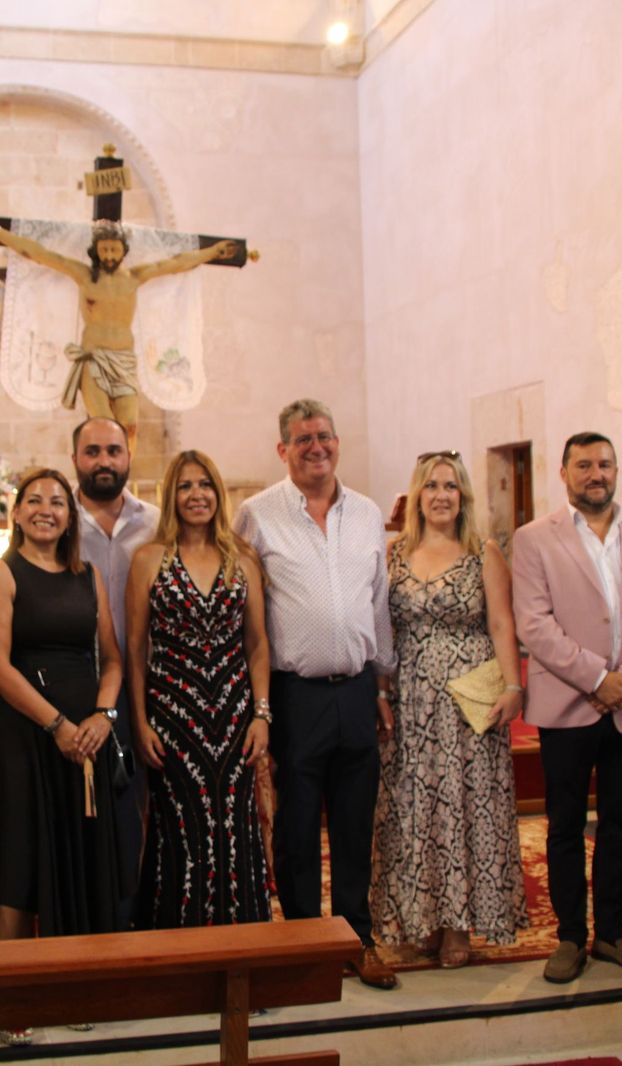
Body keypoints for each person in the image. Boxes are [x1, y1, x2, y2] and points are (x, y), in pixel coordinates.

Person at [234, 399, 399, 990]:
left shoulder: (367, 512)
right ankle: (302, 945)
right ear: (283, 449)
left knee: (356, 824)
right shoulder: (256, 515)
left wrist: (382, 682)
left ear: (338, 441)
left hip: (356, 689)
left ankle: (358, 939)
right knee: (298, 826)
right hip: (294, 693)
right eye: (302, 439)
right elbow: (244, 609)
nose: (315, 447)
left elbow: (377, 603)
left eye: (324, 436)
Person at [0, 468, 127, 1045]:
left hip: (87, 738)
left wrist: (103, 718)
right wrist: (55, 723)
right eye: (33, 500)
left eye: (57, 502)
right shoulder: (0, 575)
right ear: (16, 512)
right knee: (22, 854)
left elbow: (112, 659)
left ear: (69, 515)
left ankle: (78, 985)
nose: (45, 510)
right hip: (24, 735)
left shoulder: (88, 578)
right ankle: (12, 994)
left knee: (80, 854)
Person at [511, 431, 622, 983]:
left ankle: (610, 934)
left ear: (616, 469)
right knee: (562, 827)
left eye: (605, 464)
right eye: (584, 465)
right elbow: (535, 625)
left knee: (621, 824)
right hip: (569, 704)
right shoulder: (535, 539)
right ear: (563, 473)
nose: (596, 474)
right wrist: (598, 678)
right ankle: (569, 937)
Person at [370, 451, 527, 966]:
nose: (441, 495)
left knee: (465, 809)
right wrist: (381, 691)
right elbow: (381, 629)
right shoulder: (394, 554)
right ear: (416, 495)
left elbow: (502, 623)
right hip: (411, 700)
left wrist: (513, 687)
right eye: (432, 485)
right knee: (414, 810)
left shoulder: (483, 552)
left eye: (451, 486)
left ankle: (459, 927)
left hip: (468, 701)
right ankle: (421, 919)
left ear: (464, 497)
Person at [126, 450, 271, 928]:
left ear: (218, 493)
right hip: (172, 717)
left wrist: (261, 715)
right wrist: (140, 722)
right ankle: (176, 954)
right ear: (171, 496)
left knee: (234, 830)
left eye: (205, 485)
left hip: (233, 717)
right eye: (186, 486)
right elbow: (134, 650)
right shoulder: (149, 559)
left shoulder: (241, 558)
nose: (197, 495)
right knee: (181, 832)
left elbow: (257, 645)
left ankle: (240, 954)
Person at [0, 216, 236, 443]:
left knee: (129, 427)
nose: (109, 255)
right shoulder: (84, 276)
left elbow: (177, 262)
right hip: (94, 360)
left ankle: (123, 482)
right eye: (104, 249)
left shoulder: (134, 277)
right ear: (96, 251)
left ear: (123, 251)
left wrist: (211, 252)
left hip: (124, 363)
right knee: (102, 428)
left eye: (114, 249)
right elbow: (40, 254)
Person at [72, 415, 160, 926]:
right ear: (75, 460)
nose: (104, 461)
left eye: (113, 450)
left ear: (128, 457)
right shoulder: (57, 521)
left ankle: (141, 917)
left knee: (143, 810)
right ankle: (88, 921)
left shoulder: (154, 523)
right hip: (81, 688)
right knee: (86, 813)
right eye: (92, 452)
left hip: (150, 686)